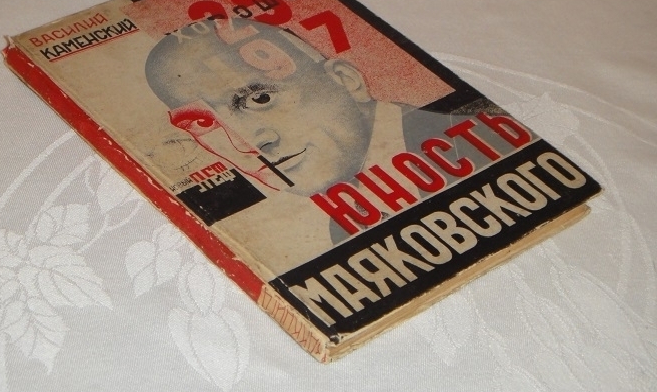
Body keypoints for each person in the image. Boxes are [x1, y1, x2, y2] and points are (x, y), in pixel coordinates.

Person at [145, 17, 509, 274]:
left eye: (259, 98)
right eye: (205, 124)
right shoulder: (348, 223)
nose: (248, 145)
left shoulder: (485, 140)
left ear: (347, 81)